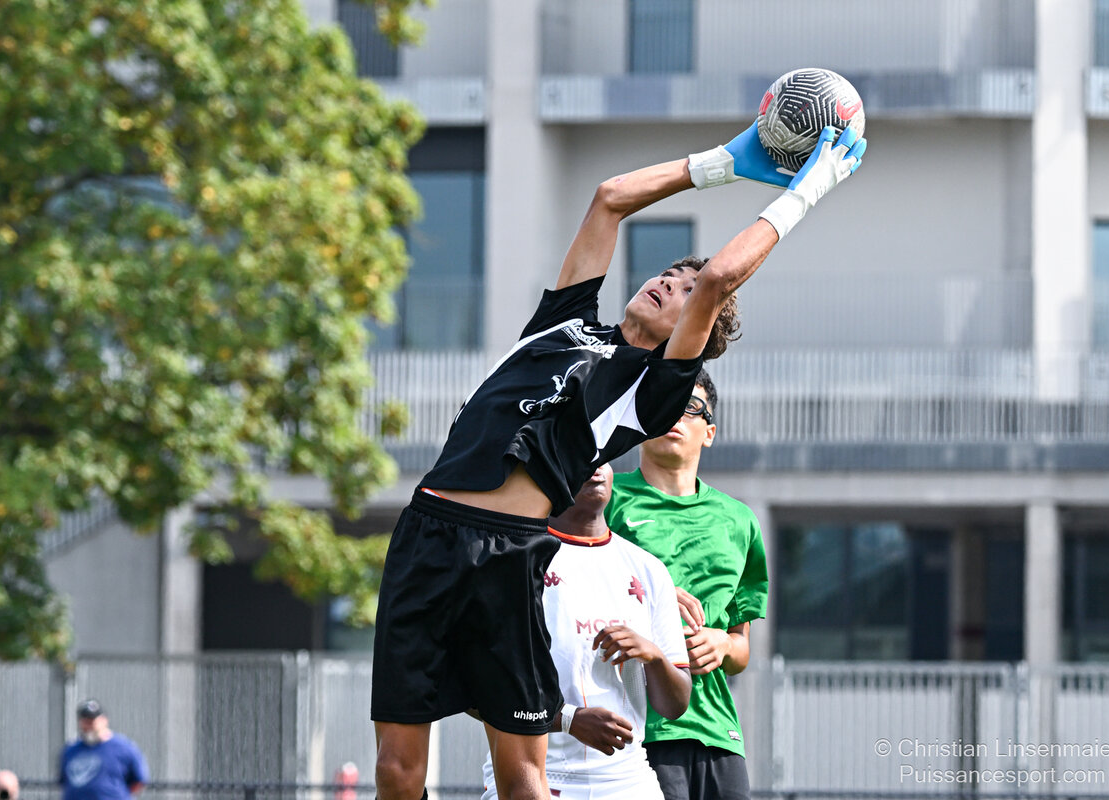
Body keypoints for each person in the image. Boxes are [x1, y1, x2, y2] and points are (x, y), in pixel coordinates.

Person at [371, 121, 865, 800]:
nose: (669, 282)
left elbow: (720, 278)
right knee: (397, 774)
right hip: (427, 531)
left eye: (684, 291)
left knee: (522, 779)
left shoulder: (651, 394)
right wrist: (725, 161)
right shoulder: (565, 324)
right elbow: (610, 199)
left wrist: (808, 190)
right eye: (668, 274)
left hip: (510, 556)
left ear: (693, 331)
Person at [479, 463, 691, 799]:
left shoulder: (648, 569)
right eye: (582, 455)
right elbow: (474, 690)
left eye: (602, 457)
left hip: (628, 779)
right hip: (534, 779)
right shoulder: (509, 561)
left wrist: (654, 657)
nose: (595, 467)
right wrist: (567, 719)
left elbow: (675, 705)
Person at [606, 370, 768, 800]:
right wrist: (651, 594)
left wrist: (723, 643)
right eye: (664, 402)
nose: (675, 414)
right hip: (636, 730)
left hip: (719, 733)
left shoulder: (740, 521)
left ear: (709, 432)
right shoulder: (605, 499)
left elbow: (741, 649)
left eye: (691, 407)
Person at [58, 699, 148, 800]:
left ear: (104, 720)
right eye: (85, 721)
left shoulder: (124, 748)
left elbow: (138, 781)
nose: (89, 726)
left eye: (92, 721)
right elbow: (64, 781)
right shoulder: (71, 750)